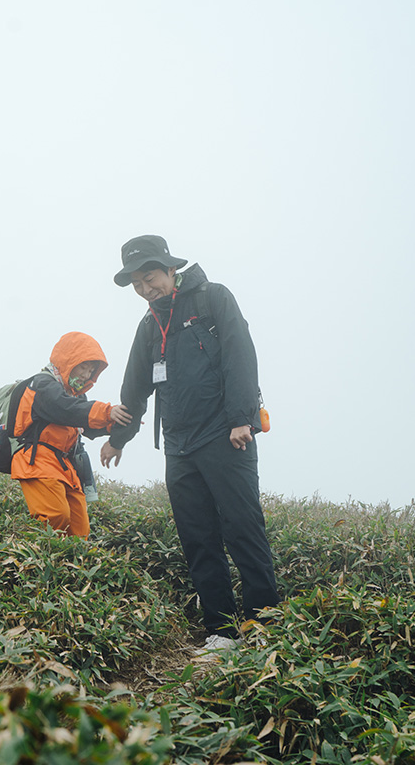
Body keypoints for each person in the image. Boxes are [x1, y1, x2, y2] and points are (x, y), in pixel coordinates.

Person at [100, 235, 280, 650]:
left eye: (151, 278)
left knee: (242, 528)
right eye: (138, 285)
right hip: (179, 447)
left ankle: (265, 625)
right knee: (198, 538)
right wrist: (119, 439)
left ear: (170, 270)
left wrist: (242, 420)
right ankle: (221, 630)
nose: (146, 289)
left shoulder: (212, 299)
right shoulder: (149, 325)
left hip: (224, 435)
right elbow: (134, 387)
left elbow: (241, 356)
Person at [9, 332, 131, 537]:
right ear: (67, 360)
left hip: (65, 465)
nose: (86, 375)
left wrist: (115, 424)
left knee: (79, 530)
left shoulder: (74, 395)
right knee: (55, 517)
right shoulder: (43, 384)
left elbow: (85, 423)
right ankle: (31, 559)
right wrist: (107, 412)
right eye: (83, 367)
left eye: (91, 370)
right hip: (36, 459)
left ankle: (67, 566)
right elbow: (67, 410)